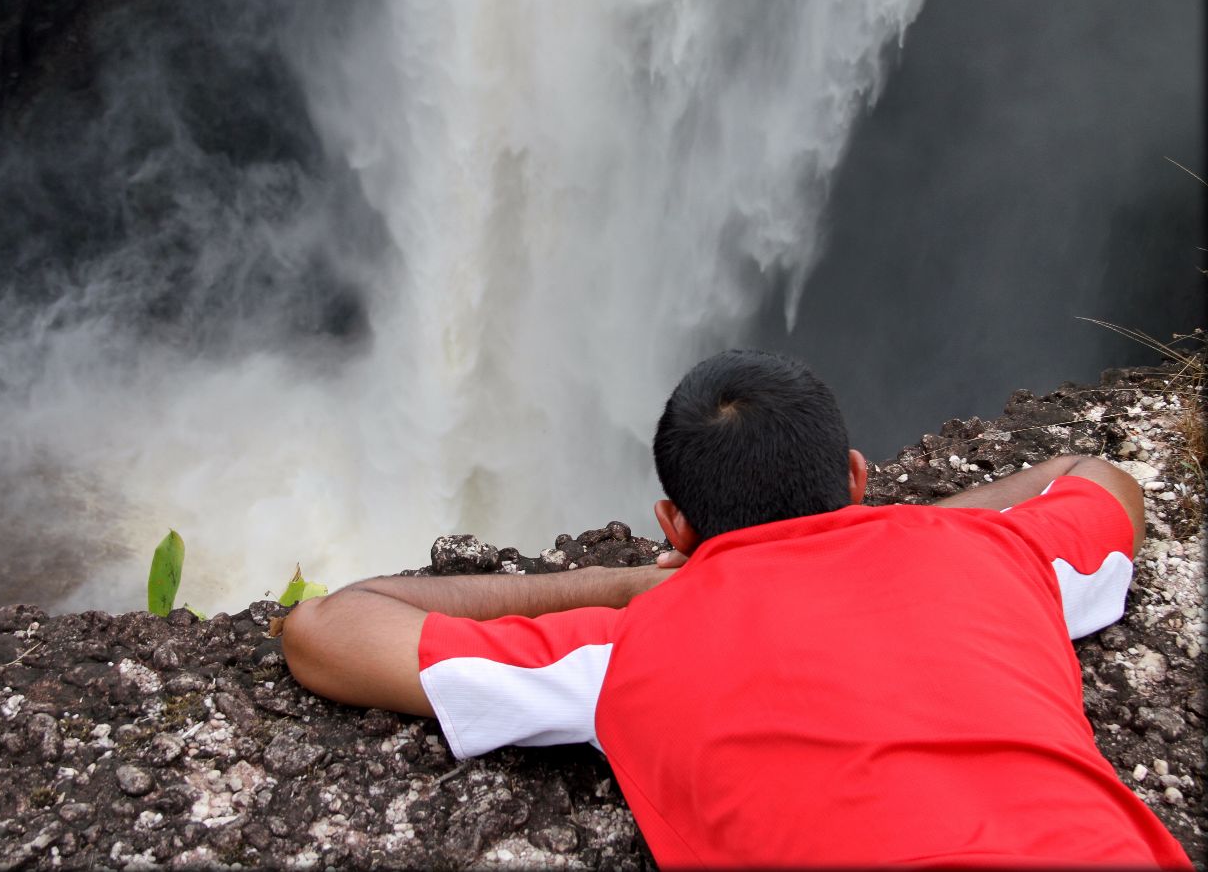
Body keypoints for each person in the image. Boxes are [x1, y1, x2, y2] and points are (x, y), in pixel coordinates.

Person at [282, 349, 1192, 868]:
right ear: (856, 476)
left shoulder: (628, 647)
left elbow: (326, 630)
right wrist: (902, 533)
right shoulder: (1004, 554)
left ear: (673, 527)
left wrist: (618, 583)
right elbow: (1094, 476)